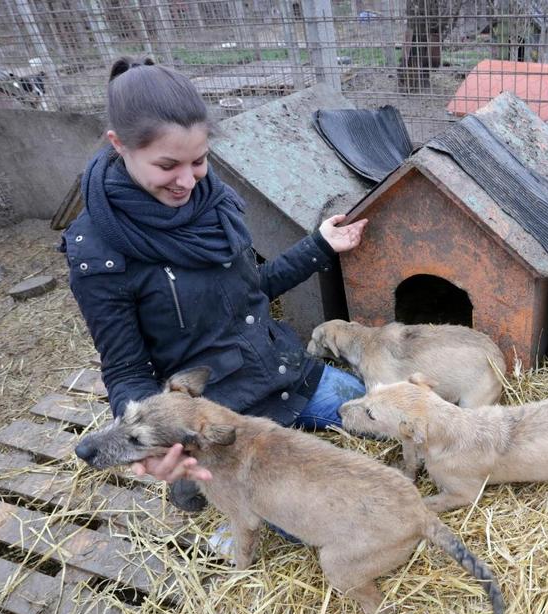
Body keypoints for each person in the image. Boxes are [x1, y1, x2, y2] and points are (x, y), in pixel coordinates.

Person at [62, 57, 368, 512]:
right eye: (168, 165)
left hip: (283, 374)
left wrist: (317, 246)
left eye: (199, 160)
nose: (187, 181)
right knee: (320, 513)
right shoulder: (99, 253)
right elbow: (126, 370)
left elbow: (250, 295)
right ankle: (201, 487)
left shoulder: (215, 204)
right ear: (119, 145)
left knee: (377, 410)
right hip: (221, 419)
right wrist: (152, 443)